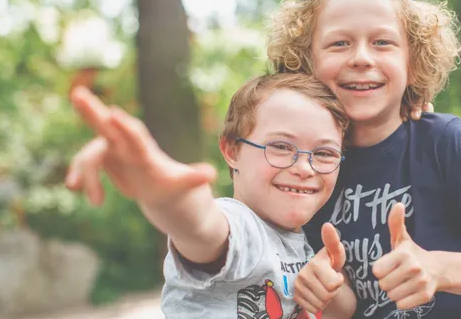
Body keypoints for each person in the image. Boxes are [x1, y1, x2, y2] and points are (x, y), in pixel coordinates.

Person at [269, 0, 461, 318]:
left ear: (413, 58)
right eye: (339, 43)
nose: (361, 58)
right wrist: (322, 290)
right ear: (305, 61)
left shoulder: (444, 142)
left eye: (382, 42)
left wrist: (437, 268)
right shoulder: (300, 164)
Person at [66, 73, 356, 318]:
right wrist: (165, 196)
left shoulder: (300, 244)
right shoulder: (241, 226)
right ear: (232, 151)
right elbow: (201, 227)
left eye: (324, 153)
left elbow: (343, 311)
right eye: (280, 146)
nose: (304, 167)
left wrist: (331, 287)